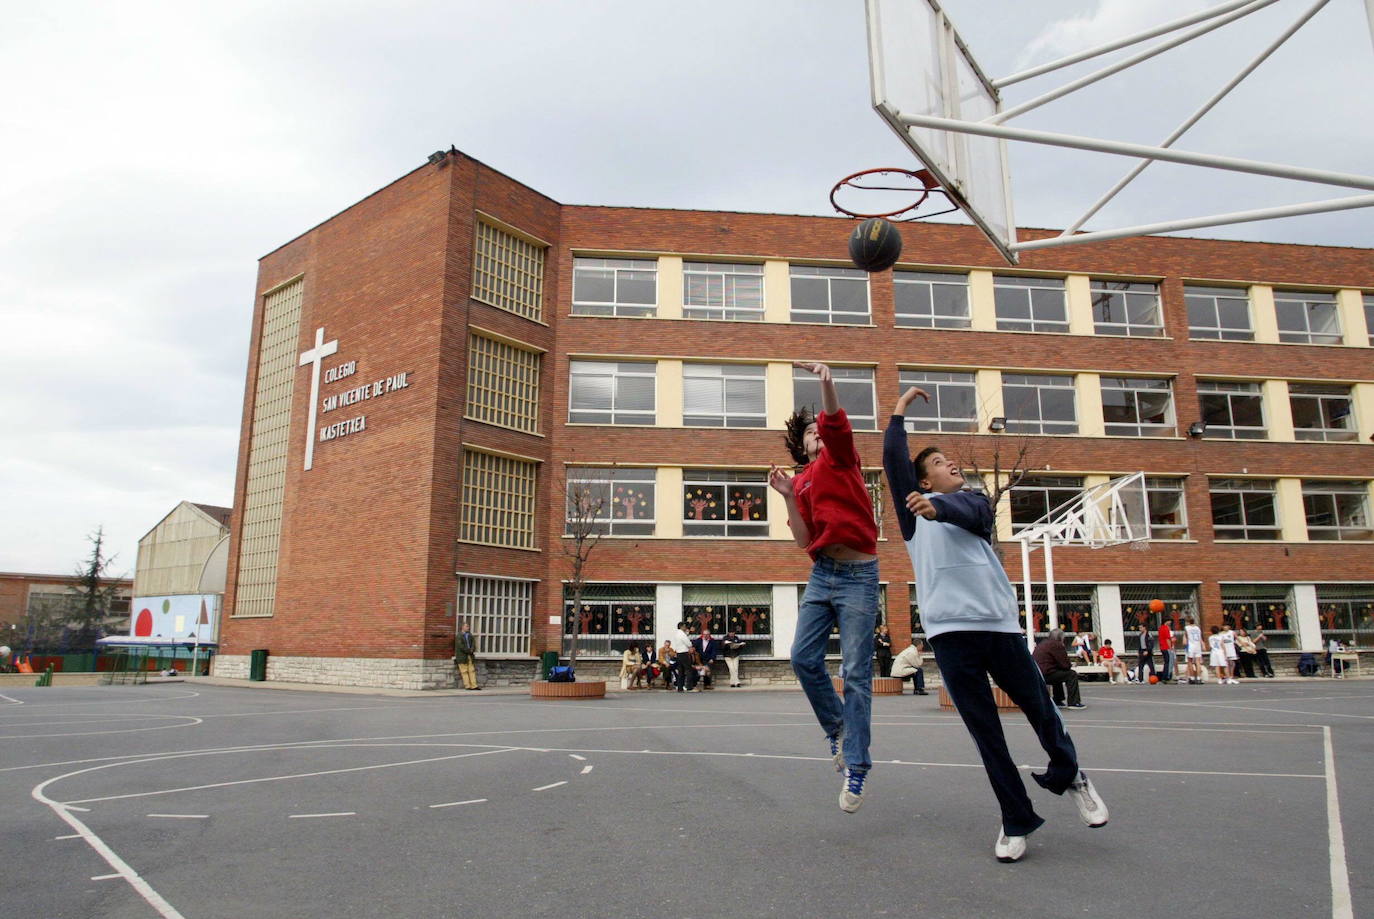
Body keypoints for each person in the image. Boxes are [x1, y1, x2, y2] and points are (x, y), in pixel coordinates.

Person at [884, 386, 1108, 863]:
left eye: (951, 460)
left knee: (1041, 710)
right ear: (922, 480)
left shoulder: (974, 503)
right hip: (950, 636)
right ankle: (1016, 818)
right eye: (941, 463)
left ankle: (1071, 775)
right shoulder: (913, 520)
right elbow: (891, 461)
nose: (952, 465)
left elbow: (969, 510)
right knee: (987, 734)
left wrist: (940, 505)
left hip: (1000, 628)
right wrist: (899, 412)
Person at [767, 361, 881, 814]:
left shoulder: (840, 457)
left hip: (859, 574)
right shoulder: (801, 480)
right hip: (823, 574)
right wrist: (789, 497)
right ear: (802, 443)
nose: (818, 434)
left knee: (855, 672)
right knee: (801, 657)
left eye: (821, 429)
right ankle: (837, 728)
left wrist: (827, 382)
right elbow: (801, 538)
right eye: (811, 433)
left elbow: (835, 424)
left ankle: (856, 765)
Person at [1033, 629, 1084, 709]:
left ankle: (1058, 700)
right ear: (1061, 637)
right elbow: (1065, 665)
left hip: (1038, 673)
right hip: (1047, 674)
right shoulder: (1057, 645)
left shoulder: (1043, 643)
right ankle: (1073, 702)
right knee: (1071, 674)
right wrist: (1069, 665)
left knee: (1058, 673)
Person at [456, 622, 480, 690]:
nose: (468, 628)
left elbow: (473, 644)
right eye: (466, 626)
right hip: (462, 656)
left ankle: (474, 685)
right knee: (464, 671)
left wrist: (472, 650)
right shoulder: (459, 636)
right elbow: (461, 646)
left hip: (470, 655)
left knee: (471, 670)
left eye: (468, 626)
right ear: (462, 627)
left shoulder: (470, 635)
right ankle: (467, 686)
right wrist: (468, 651)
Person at [670, 622, 693, 692]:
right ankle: (689, 686)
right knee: (689, 670)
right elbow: (688, 643)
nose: (685, 628)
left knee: (681, 671)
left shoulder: (677, 634)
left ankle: (680, 687)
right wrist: (690, 644)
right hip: (684, 653)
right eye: (685, 626)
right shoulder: (682, 634)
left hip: (679, 653)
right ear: (682, 627)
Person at [1185, 617, 1204, 684]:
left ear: (1188, 622)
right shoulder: (1197, 628)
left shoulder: (1187, 628)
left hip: (1191, 646)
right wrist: (1203, 645)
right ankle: (1199, 678)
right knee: (1198, 662)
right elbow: (1200, 638)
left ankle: (1192, 678)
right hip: (1197, 646)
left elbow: (1186, 637)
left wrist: (1185, 644)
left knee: (1190, 662)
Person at [1157, 619, 1175, 684]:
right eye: (1170, 621)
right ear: (1167, 621)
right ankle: (1167, 677)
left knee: (1166, 662)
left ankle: (1164, 677)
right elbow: (1167, 638)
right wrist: (1170, 648)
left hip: (1162, 647)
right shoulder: (1166, 628)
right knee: (1168, 662)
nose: (1170, 623)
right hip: (1166, 647)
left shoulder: (1160, 628)